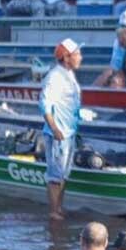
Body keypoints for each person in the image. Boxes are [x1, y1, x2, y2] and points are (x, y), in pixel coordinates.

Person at [40, 38, 83, 220]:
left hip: (69, 132)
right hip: (58, 133)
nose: (80, 57)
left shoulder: (69, 75)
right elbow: (44, 105)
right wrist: (54, 128)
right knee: (55, 176)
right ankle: (53, 211)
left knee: (64, 174)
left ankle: (59, 208)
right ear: (66, 57)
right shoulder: (55, 77)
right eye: (77, 54)